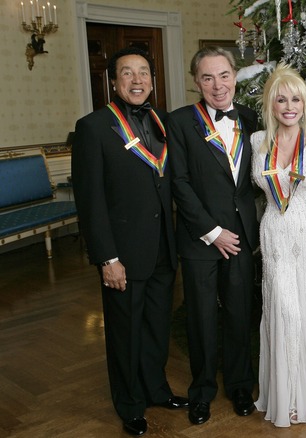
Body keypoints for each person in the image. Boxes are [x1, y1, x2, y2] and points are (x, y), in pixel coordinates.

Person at [71, 47, 188, 436]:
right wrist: (107, 257)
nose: (137, 81)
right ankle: (130, 403)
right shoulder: (92, 127)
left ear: (153, 81)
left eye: (143, 73)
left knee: (156, 326)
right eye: (127, 73)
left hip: (162, 248)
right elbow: (90, 202)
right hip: (123, 252)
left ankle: (156, 389)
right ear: (114, 81)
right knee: (125, 332)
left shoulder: (162, 121)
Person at [168, 46, 259, 426]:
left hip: (242, 236)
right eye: (207, 77)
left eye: (223, 75)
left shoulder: (253, 119)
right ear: (196, 82)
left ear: (235, 77)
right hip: (200, 238)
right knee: (202, 319)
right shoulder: (178, 122)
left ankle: (240, 386)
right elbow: (180, 183)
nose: (217, 85)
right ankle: (202, 391)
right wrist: (211, 231)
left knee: (240, 314)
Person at [249, 64, 306, 427]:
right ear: (271, 105)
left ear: (305, 103)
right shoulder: (259, 141)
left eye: (296, 99)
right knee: (282, 308)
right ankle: (285, 392)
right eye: (281, 99)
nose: (289, 106)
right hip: (274, 230)